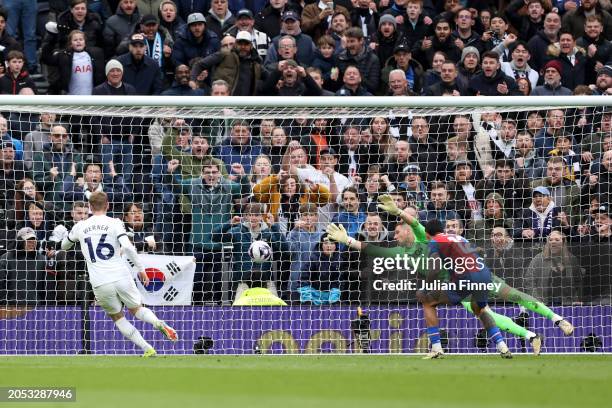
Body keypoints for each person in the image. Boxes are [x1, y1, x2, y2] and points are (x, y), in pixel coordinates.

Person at [59, 191, 177, 356]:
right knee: (137, 309)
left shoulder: (80, 226)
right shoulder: (115, 222)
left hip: (100, 282)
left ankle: (147, 349)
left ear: (90, 207)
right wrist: (141, 270)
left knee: (118, 317)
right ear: (107, 205)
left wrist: (72, 238)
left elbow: (64, 246)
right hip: (120, 275)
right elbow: (128, 247)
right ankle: (158, 323)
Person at [525, 230, 583, 304]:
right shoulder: (538, 258)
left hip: (566, 303)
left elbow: (578, 282)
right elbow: (529, 280)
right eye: (550, 240)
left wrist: (576, 299)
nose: (553, 242)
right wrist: (537, 300)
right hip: (543, 302)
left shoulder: (572, 259)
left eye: (557, 240)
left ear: (563, 243)